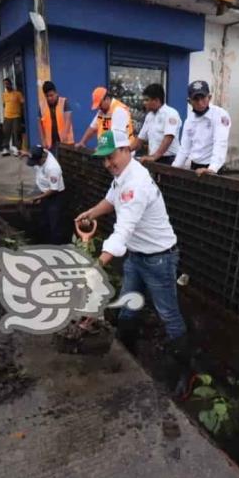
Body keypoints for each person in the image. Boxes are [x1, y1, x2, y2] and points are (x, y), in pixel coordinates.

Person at [74, 128, 188, 355]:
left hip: (159, 259)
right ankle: (127, 356)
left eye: (111, 156)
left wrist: (97, 265)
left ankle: (187, 371)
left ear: (126, 150)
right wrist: (90, 214)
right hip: (137, 256)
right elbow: (111, 200)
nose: (108, 163)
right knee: (128, 306)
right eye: (104, 158)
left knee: (168, 315)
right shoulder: (122, 176)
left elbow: (122, 232)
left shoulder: (135, 185)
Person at [172, 80, 231, 176]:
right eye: (196, 99)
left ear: (209, 97)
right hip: (195, 167)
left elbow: (220, 143)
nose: (200, 103)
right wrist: (174, 168)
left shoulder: (220, 115)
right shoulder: (189, 120)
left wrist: (212, 168)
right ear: (189, 101)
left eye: (203, 98)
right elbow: (184, 148)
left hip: (213, 167)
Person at [19, 145, 67, 244]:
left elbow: (54, 189)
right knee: (44, 221)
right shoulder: (41, 152)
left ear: (42, 158)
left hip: (55, 197)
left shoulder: (53, 168)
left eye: (36, 162)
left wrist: (38, 197)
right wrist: (26, 153)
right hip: (45, 194)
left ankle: (57, 247)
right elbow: (36, 151)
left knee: (55, 224)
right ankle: (44, 242)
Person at [131, 83, 181, 166]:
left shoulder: (171, 113)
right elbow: (140, 139)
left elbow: (169, 138)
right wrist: (125, 150)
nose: (144, 103)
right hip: (154, 159)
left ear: (157, 100)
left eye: (147, 100)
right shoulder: (149, 116)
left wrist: (154, 157)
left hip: (169, 160)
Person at [38, 81, 74, 154]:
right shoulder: (42, 105)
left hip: (66, 142)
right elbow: (40, 124)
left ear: (56, 93)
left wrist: (63, 141)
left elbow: (68, 121)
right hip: (50, 143)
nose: (49, 98)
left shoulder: (64, 102)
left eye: (51, 95)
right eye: (47, 96)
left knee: (65, 163)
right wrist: (43, 140)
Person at [1, 78, 25, 156]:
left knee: (16, 132)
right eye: (5, 84)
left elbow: (22, 103)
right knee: (6, 132)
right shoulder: (4, 95)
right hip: (7, 116)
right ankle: (5, 149)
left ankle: (17, 149)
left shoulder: (18, 94)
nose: (6, 85)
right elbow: (4, 105)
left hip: (16, 116)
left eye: (7, 83)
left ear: (11, 84)